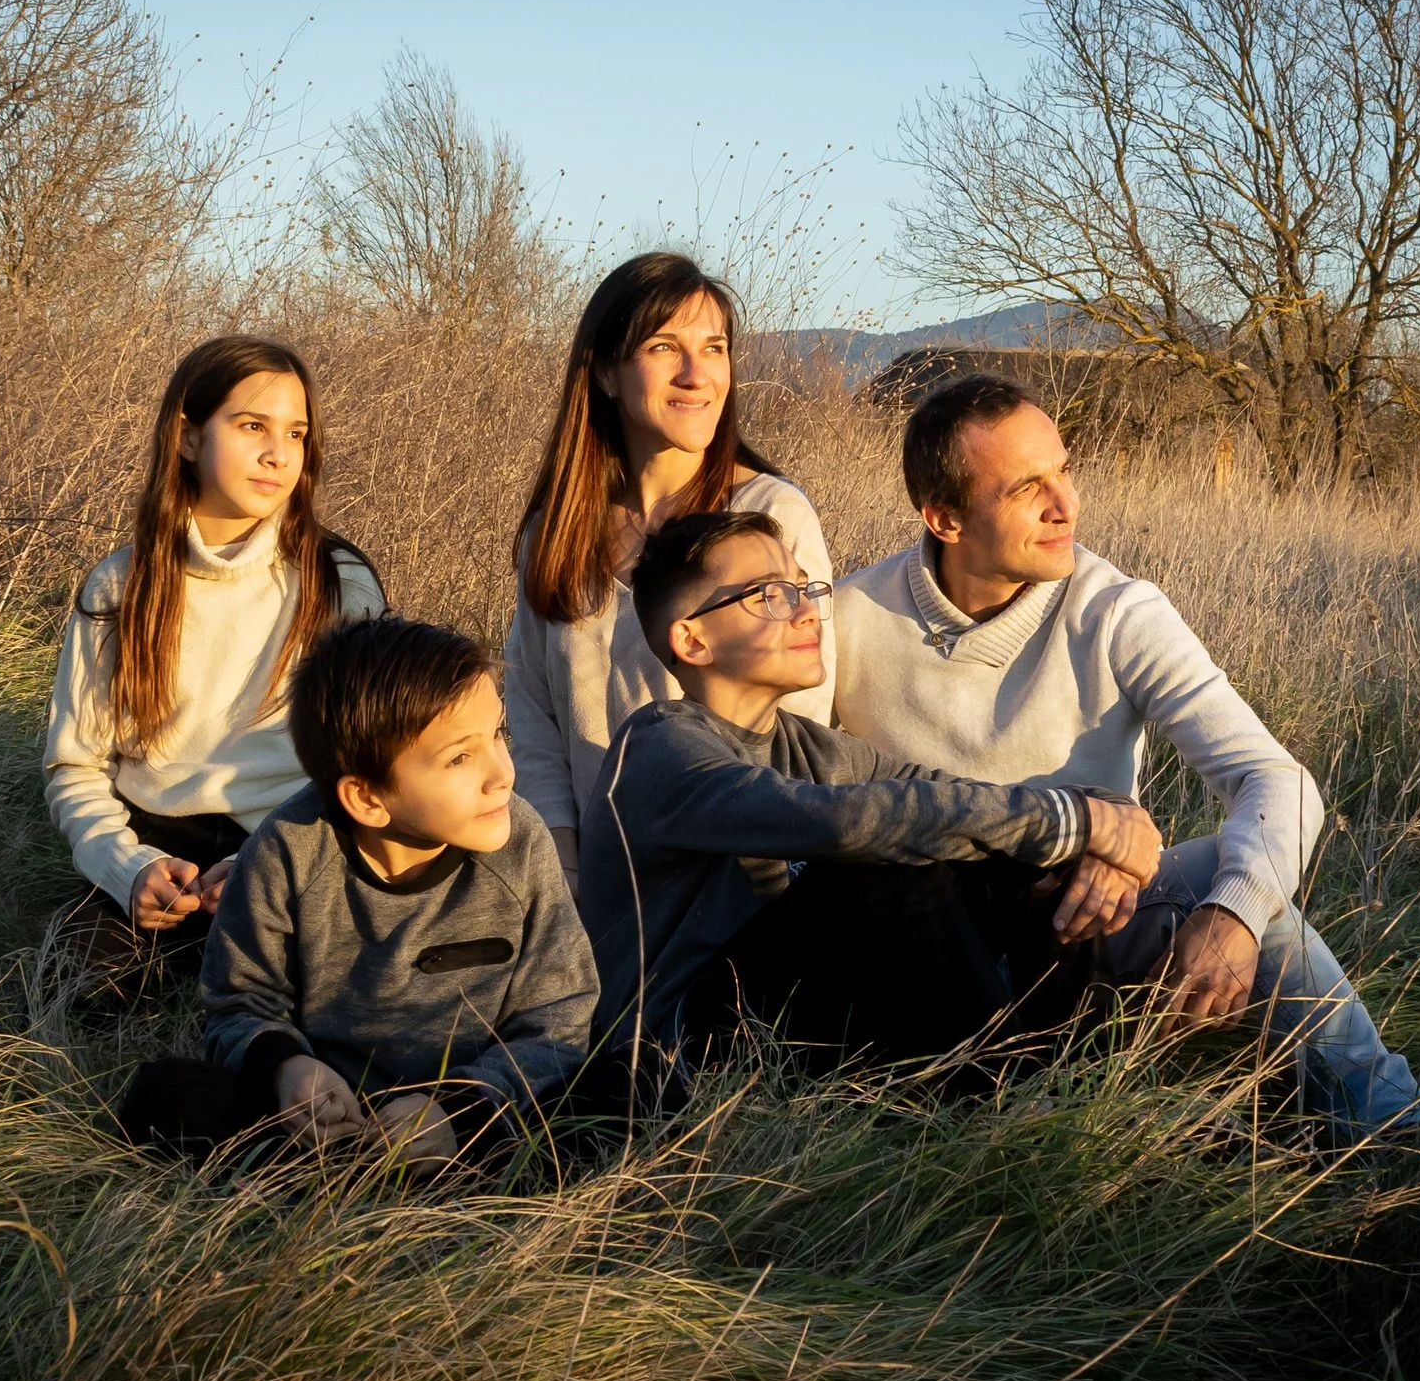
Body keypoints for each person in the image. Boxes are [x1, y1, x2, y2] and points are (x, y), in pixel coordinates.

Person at [832, 373, 1420, 1132]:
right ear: (945, 518)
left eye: (1065, 469)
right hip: (922, 943)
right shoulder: (848, 620)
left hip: (1086, 931)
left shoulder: (1115, 610)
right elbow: (773, 787)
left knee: (1249, 892)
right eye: (1027, 489)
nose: (1066, 505)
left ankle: (1399, 1137)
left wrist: (1232, 916)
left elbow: (1275, 778)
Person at [574, 509, 1162, 1093]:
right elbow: (840, 823)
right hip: (674, 1059)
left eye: (804, 589)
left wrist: (1103, 818)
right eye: (770, 596)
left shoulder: (810, 747)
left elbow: (957, 798)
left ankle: (1083, 1093)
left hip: (794, 1027)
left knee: (1028, 868)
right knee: (886, 864)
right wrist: (1080, 821)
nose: (807, 609)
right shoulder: (657, 748)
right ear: (693, 640)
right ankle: (993, 1112)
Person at [44, 335, 383, 999]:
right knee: (79, 985)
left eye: (296, 433)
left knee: (324, 1003)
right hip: (156, 848)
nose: (277, 452)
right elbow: (73, 767)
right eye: (251, 424)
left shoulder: (340, 584)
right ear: (189, 437)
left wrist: (278, 864)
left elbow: (370, 766)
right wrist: (128, 869)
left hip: (292, 843)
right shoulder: (121, 587)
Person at [196, 617, 598, 1173]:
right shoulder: (286, 851)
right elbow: (238, 1002)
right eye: (460, 758)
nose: (501, 773)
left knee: (629, 1082)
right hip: (336, 1118)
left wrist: (459, 1108)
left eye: (499, 733)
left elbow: (559, 1017)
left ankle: (454, 1179)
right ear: (366, 798)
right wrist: (287, 1068)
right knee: (170, 1096)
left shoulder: (521, 842)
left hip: (474, 1114)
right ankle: (334, 1177)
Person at [507, 252, 835, 882]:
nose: (696, 374)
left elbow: (803, 715)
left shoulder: (769, 516)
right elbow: (535, 717)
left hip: (736, 880)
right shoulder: (556, 532)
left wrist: (756, 876)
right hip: (595, 881)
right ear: (605, 371)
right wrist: (566, 869)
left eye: (714, 348)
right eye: (664, 346)